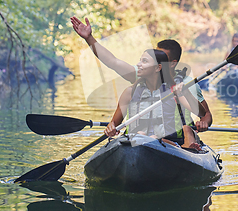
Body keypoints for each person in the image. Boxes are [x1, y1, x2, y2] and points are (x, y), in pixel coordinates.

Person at [70, 16, 211, 134]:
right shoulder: (140, 77)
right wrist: (89, 38)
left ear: (170, 64)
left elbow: (205, 114)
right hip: (142, 138)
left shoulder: (186, 85)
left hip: (174, 140)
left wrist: (203, 122)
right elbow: (113, 62)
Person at [103, 49, 204, 150]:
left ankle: (183, 141)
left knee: (151, 137)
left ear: (157, 67)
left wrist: (186, 92)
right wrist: (111, 128)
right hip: (135, 141)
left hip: (168, 144)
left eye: (144, 61)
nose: (138, 64)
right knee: (141, 134)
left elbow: (201, 113)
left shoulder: (174, 91)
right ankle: (144, 139)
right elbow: (114, 125)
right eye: (140, 60)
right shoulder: (130, 92)